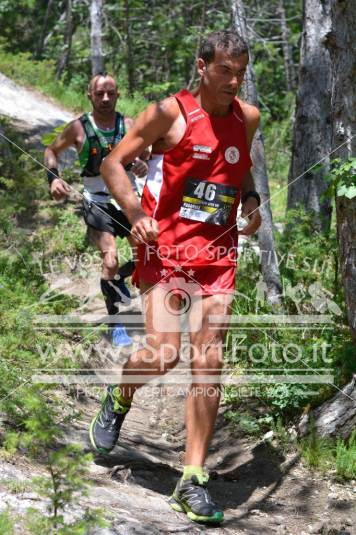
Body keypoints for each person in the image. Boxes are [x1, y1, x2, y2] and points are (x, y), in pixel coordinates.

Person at [90, 31, 262, 524]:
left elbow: (240, 173)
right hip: (163, 252)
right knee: (164, 353)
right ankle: (120, 396)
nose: (234, 81)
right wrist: (133, 210)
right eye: (225, 71)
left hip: (218, 256)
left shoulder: (247, 118)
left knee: (209, 359)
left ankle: (193, 479)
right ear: (202, 66)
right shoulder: (169, 113)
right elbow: (112, 163)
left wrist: (250, 204)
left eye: (241, 73)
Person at [44, 73, 148, 346]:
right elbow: (50, 151)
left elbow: (146, 155)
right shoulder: (78, 128)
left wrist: (140, 163)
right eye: (99, 93)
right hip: (96, 200)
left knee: (147, 255)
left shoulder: (128, 124)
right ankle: (116, 323)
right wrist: (53, 177)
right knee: (110, 260)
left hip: (128, 199)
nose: (105, 98)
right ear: (89, 95)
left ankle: (119, 281)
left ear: (118, 95)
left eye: (110, 93)